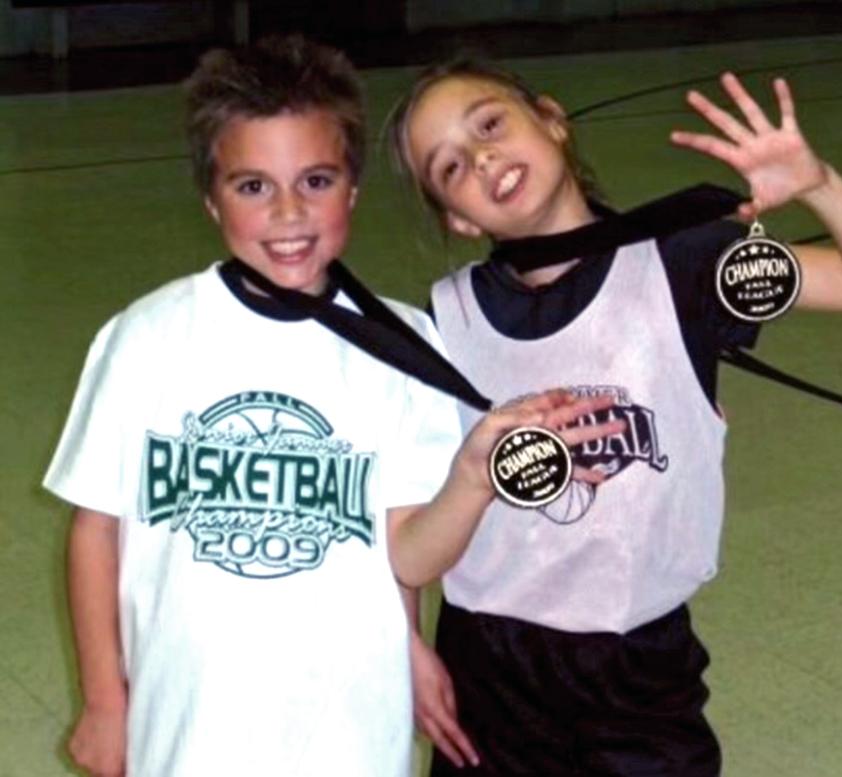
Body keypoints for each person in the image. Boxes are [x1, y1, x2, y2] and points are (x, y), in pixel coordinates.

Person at [43, 38, 624, 777]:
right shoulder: (146, 337)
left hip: (349, 724)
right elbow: (96, 529)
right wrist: (103, 699)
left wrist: (408, 641)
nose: (289, 212)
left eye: (315, 180)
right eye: (253, 186)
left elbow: (400, 536)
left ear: (351, 190)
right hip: (189, 724)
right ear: (211, 197)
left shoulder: (404, 344)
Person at [388, 59, 842, 776]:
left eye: (490, 124)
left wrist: (820, 185)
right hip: (491, 670)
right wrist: (408, 646)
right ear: (457, 217)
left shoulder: (685, 265)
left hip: (640, 666)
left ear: (551, 118)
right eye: (451, 166)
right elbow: (402, 506)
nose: (482, 156)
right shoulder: (446, 321)